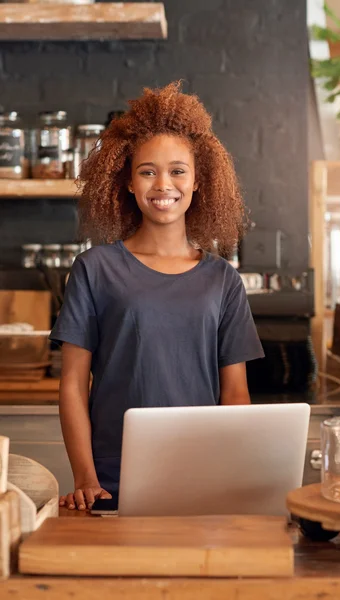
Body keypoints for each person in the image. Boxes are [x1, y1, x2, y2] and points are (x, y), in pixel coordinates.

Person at [50, 82, 264, 511]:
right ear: (128, 182)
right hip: (111, 481)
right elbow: (73, 384)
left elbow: (235, 395)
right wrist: (85, 476)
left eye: (178, 170)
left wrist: (233, 474)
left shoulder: (223, 281)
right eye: (147, 171)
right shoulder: (95, 269)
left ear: (199, 180)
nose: (163, 184)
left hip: (203, 480)